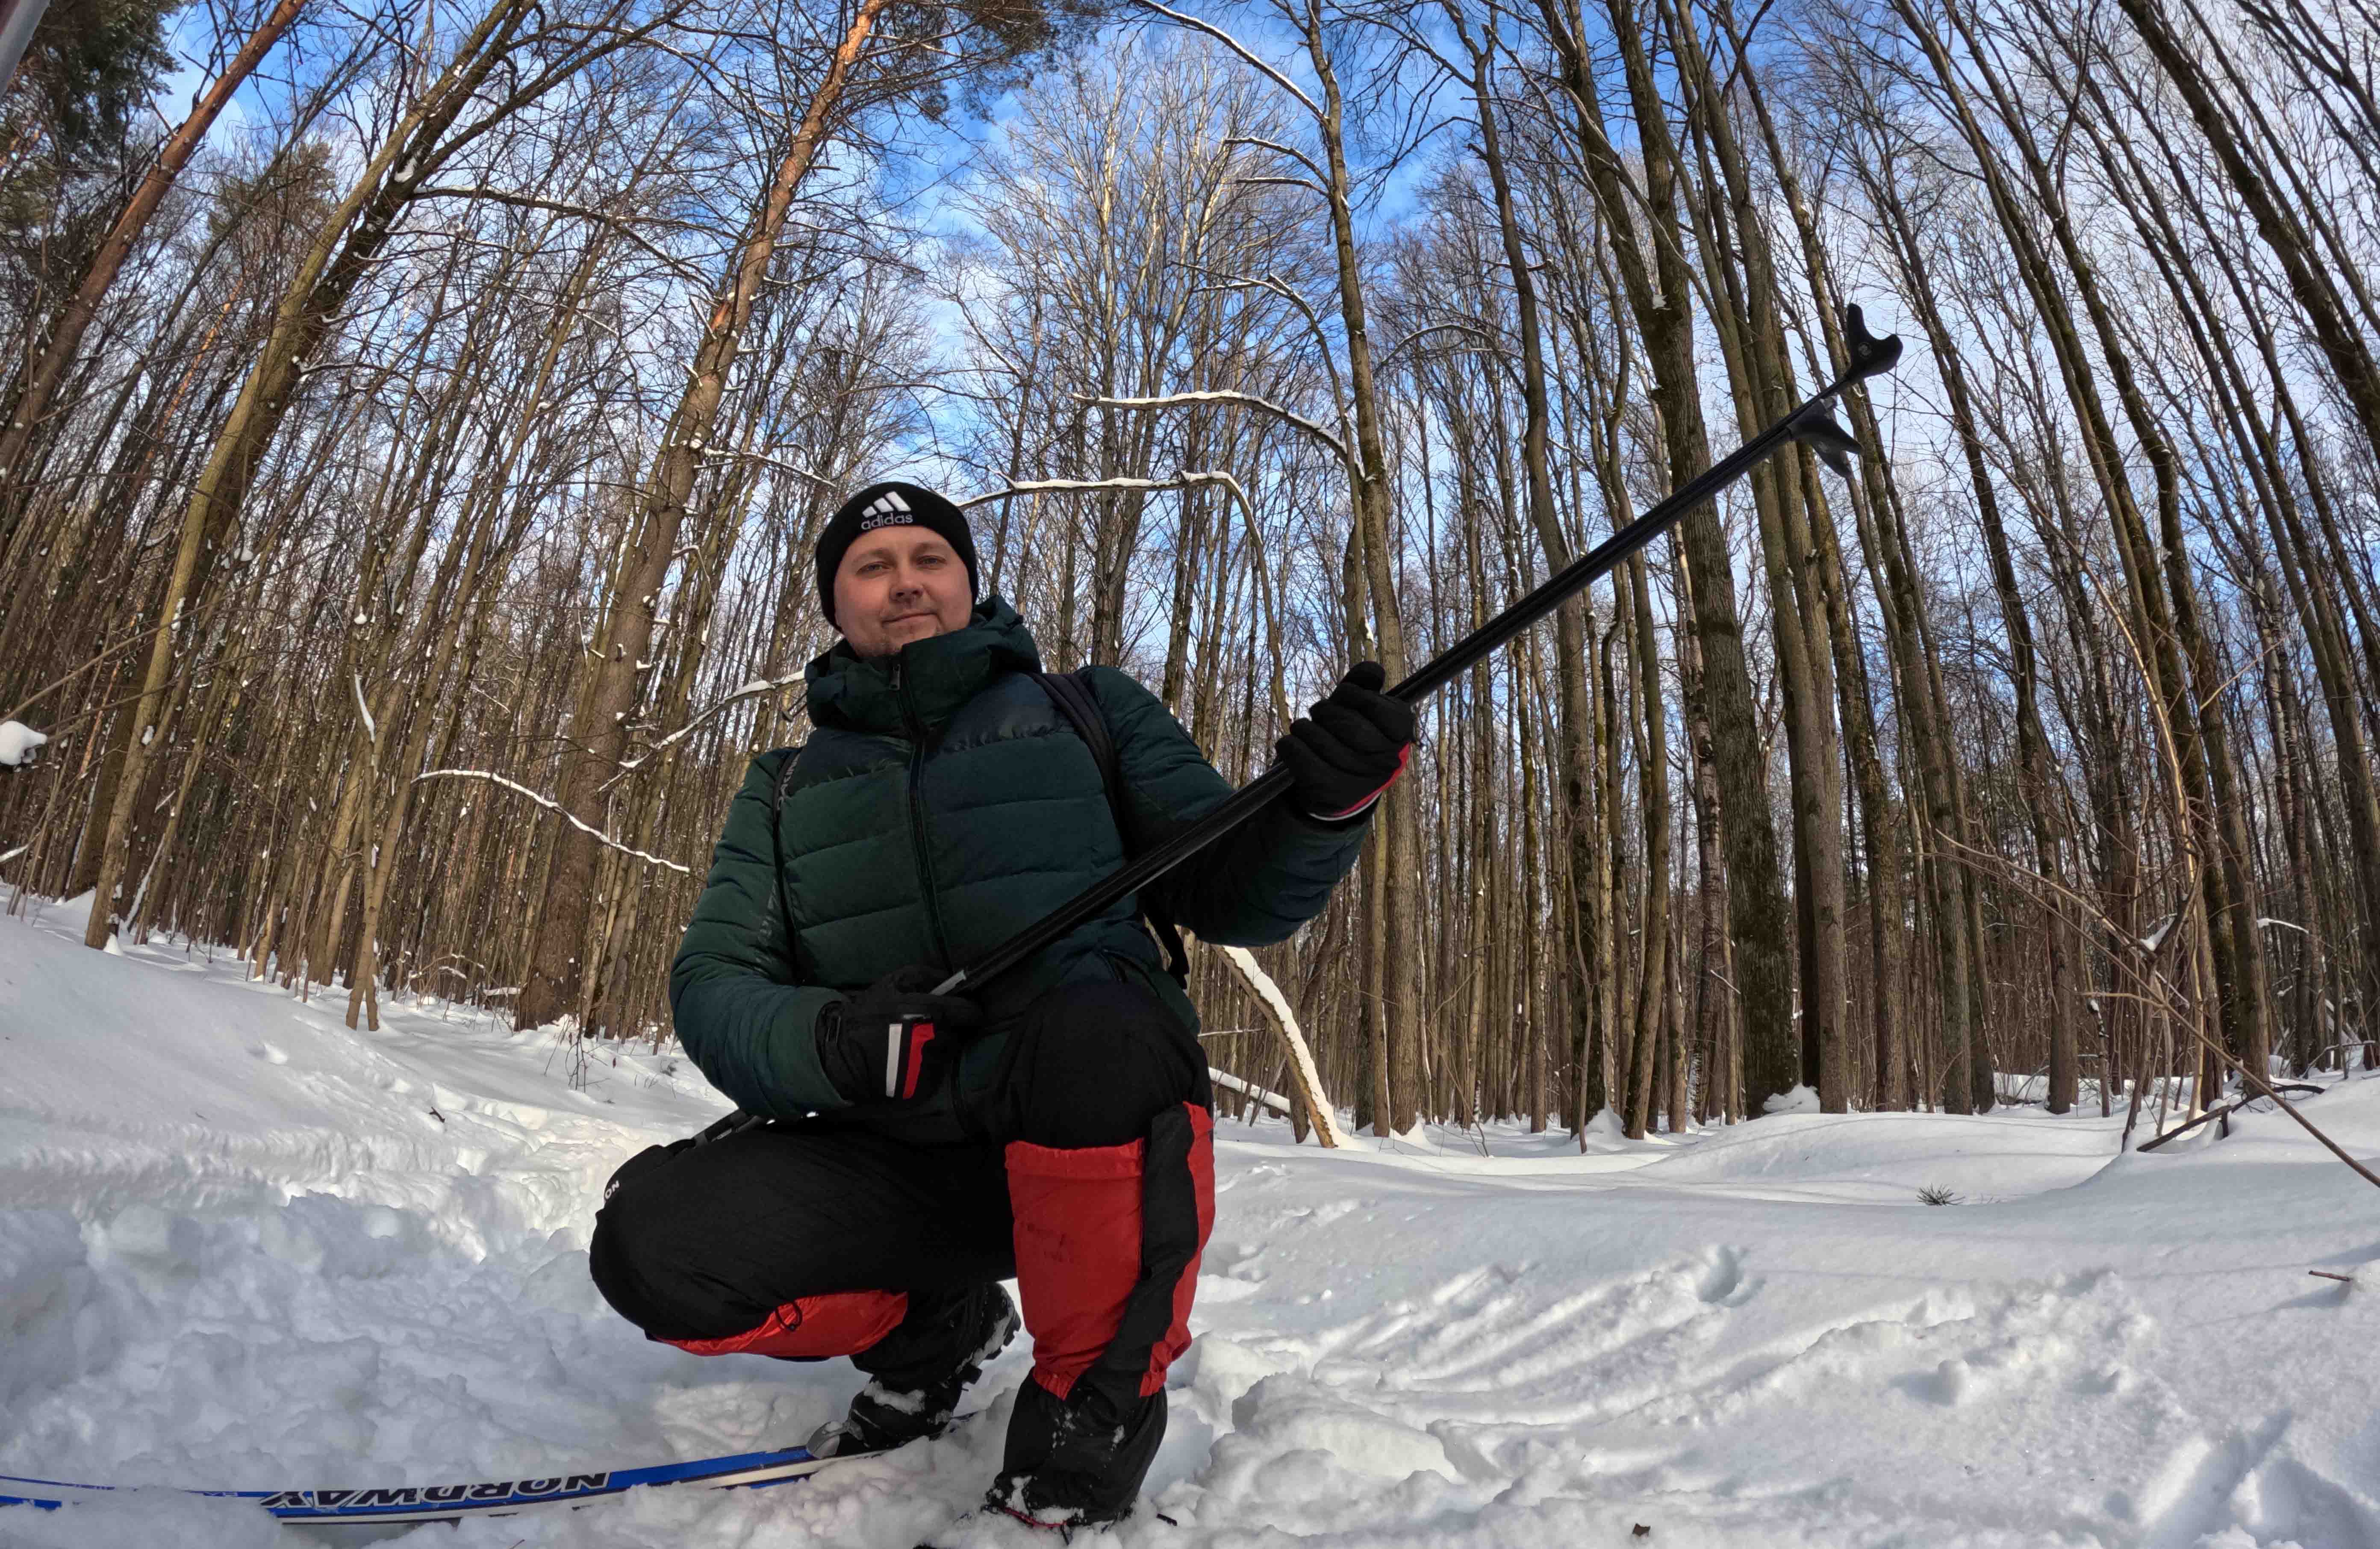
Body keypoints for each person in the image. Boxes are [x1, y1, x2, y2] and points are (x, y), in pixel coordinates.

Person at [588, 480, 1412, 1528]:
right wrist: (834, 1044)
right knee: (654, 1246)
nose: (905, 585)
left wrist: (1318, 808)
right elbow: (715, 989)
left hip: (1087, 1134)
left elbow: (1234, 892)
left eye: (929, 558)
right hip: (895, 1155)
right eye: (871, 567)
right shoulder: (785, 788)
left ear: (970, 583)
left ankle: (1080, 1434)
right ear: (835, 604)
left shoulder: (1091, 711)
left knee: (1106, 1021)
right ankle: (937, 1337)